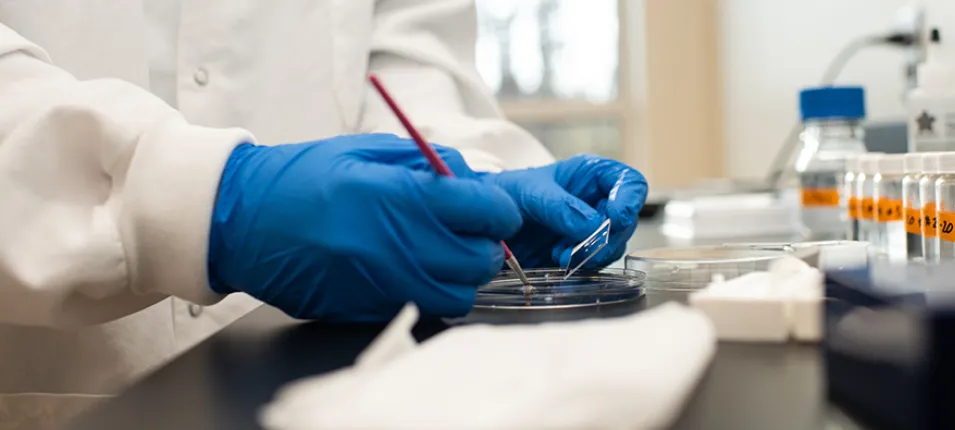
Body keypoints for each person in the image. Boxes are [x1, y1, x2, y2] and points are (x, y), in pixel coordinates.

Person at [0, 1, 647, 427]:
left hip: (344, 378)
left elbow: (408, 58)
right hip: (62, 377)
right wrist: (208, 200)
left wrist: (469, 182)